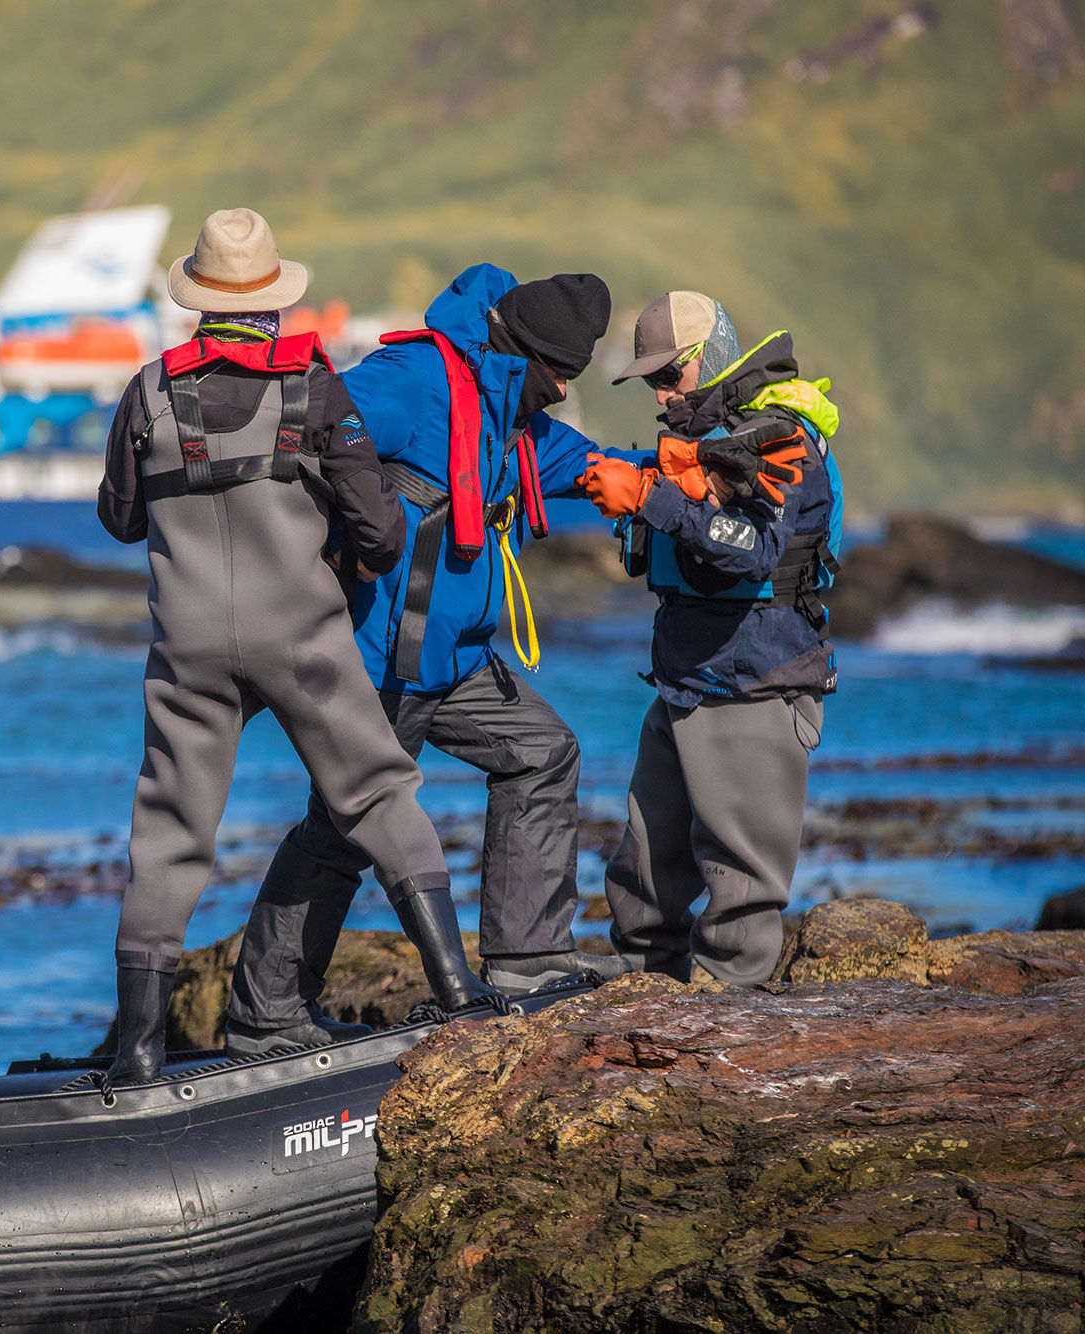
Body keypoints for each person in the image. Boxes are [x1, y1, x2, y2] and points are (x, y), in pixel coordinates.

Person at [97, 209, 499, 1086]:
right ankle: (460, 988)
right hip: (301, 636)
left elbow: (120, 519)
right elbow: (384, 534)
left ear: (198, 305)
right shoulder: (314, 390)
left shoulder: (148, 391)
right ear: (275, 303)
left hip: (190, 646)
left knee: (169, 830)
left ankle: (135, 1055)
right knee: (377, 791)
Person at [221, 264, 635, 1056]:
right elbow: (313, 433)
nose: (558, 396)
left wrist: (642, 476)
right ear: (531, 356)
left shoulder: (510, 407)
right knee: (343, 826)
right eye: (559, 379)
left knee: (542, 752)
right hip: (381, 654)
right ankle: (264, 1015)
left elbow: (564, 458)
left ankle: (527, 959)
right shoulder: (414, 378)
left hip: (461, 659)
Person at [578, 291, 843, 985]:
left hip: (756, 683)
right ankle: (638, 1026)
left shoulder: (781, 436)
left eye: (671, 375)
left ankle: (726, 1061)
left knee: (739, 903)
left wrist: (647, 499)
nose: (662, 395)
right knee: (641, 882)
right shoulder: (699, 442)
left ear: (711, 356)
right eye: (652, 381)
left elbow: (754, 549)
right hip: (684, 681)